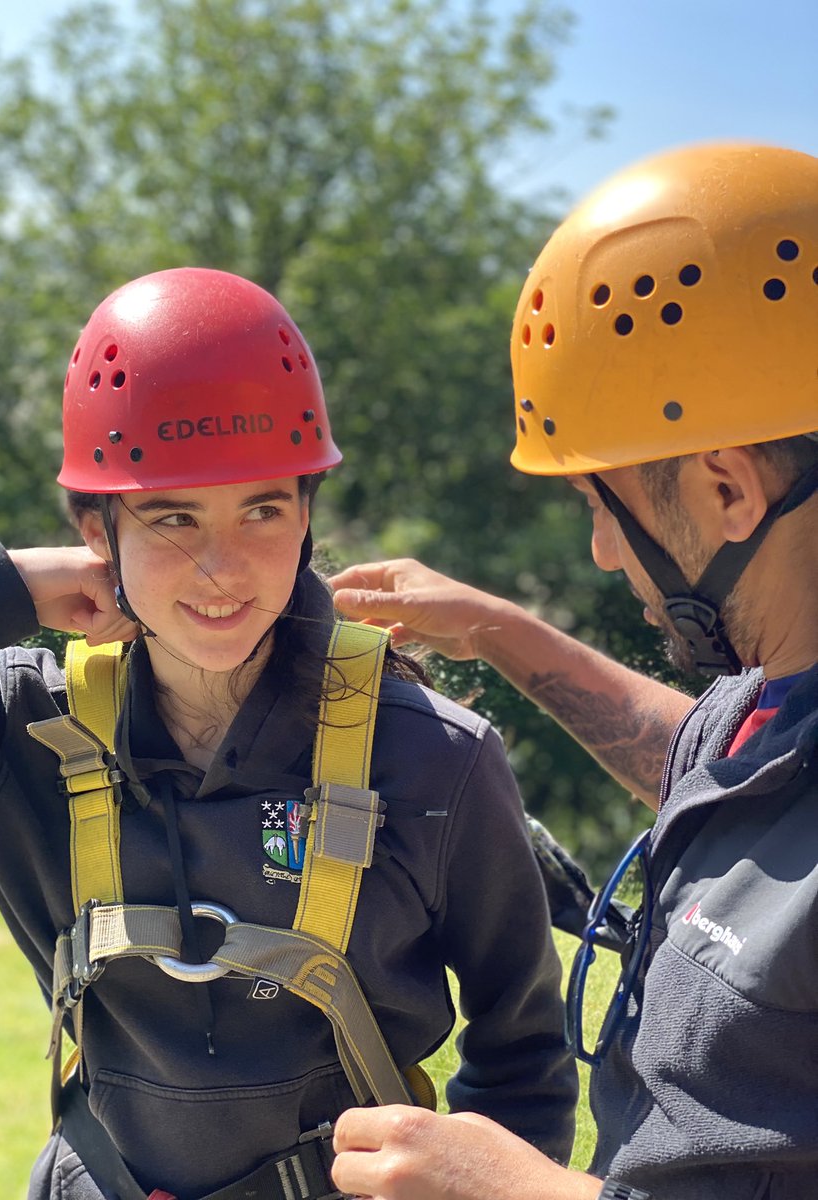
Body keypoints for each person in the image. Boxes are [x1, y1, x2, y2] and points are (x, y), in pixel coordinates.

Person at [0, 267, 577, 1200]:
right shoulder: (21, 732)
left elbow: (524, 1062)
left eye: (261, 509)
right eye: (171, 516)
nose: (220, 570)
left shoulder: (435, 758)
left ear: (308, 514)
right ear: (95, 526)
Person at [328, 142, 818, 1200]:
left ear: (729, 490)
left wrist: (514, 1188)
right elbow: (711, 777)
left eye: (606, 507)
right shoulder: (765, 703)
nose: (601, 551)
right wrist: (499, 630)